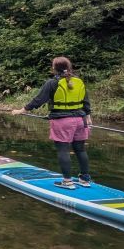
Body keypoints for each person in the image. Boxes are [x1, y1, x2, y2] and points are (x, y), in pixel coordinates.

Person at [12, 56, 93, 189]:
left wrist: (22, 110)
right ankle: (84, 179)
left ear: (54, 68)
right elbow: (86, 101)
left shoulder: (52, 83)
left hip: (62, 121)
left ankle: (67, 182)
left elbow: (39, 100)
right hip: (80, 120)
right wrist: (88, 116)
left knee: (63, 151)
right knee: (80, 150)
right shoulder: (79, 81)